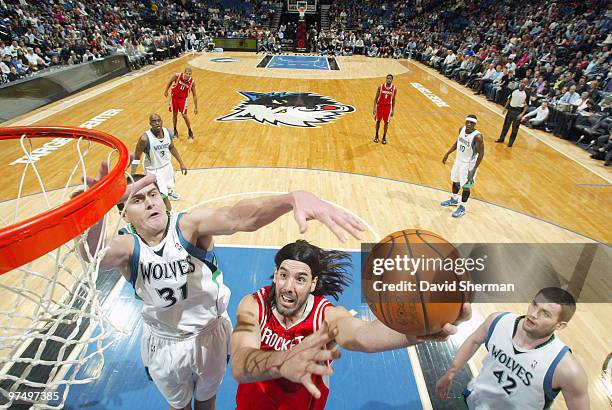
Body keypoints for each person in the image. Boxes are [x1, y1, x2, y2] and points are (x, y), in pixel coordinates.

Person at [80, 167, 365, 410]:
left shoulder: (189, 226)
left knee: (207, 402)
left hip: (210, 333)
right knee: (177, 405)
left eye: (153, 194)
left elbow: (238, 218)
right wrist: (93, 211)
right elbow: (92, 256)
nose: (150, 203)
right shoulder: (127, 246)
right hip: (165, 342)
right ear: (124, 214)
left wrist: (290, 200)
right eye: (138, 200)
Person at [231, 240, 471, 409]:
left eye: (300, 279)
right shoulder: (254, 305)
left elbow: (364, 335)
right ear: (275, 274)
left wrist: (420, 327)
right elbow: (240, 364)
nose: (288, 287)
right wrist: (282, 362)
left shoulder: (326, 316)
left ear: (313, 284)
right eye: (283, 275)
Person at [435, 287, 589, 410]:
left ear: (560, 325)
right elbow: (474, 340)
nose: (533, 314)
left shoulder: (566, 369)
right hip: (473, 401)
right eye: (535, 304)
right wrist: (451, 372)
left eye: (545, 314)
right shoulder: (499, 321)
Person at [131, 114, 187, 208]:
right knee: (161, 195)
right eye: (154, 121)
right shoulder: (144, 139)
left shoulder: (168, 132)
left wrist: (181, 163)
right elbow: (136, 157)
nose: (157, 123)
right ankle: (168, 212)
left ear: (162, 121)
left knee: (169, 184)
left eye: (158, 120)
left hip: (166, 165)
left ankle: (169, 192)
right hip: (153, 170)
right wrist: (132, 176)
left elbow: (171, 147)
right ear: (150, 124)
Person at [441, 115, 485, 218]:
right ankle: (454, 199)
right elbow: (458, 142)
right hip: (459, 160)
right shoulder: (462, 129)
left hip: (469, 164)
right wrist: (448, 153)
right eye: (468, 122)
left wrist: (473, 170)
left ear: (475, 124)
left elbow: (481, 153)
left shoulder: (478, 137)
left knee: (466, 187)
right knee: (455, 181)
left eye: (472, 123)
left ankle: (462, 207)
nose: (469, 124)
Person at [164, 67, 198, 140]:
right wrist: (166, 90)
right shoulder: (177, 76)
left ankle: (190, 131)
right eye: (187, 73)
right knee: (174, 114)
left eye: (189, 74)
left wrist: (196, 107)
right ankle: (175, 130)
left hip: (183, 99)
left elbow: (194, 95)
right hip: (174, 98)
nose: (188, 75)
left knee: (184, 115)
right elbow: (170, 81)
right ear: (184, 72)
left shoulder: (192, 82)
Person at [496, 79, 529, 147]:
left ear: (526, 84)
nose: (522, 84)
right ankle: (501, 138)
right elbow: (509, 99)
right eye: (522, 82)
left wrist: (522, 114)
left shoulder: (527, 94)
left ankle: (510, 142)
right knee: (505, 126)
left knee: (515, 128)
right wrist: (505, 108)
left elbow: (526, 106)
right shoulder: (514, 90)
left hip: (518, 111)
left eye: (524, 83)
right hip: (510, 110)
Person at [372, 74, 397, 145]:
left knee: (386, 122)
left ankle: (384, 137)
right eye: (388, 78)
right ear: (386, 79)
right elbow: (376, 98)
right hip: (380, 106)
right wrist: (374, 108)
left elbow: (394, 99)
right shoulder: (380, 87)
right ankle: (376, 135)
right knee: (378, 121)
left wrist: (392, 110)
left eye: (390, 79)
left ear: (392, 80)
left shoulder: (394, 88)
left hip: (388, 107)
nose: (389, 80)